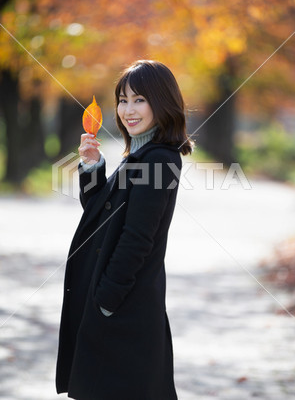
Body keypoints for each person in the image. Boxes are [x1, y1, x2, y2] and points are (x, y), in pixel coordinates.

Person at [55, 60, 194, 400]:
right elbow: (101, 216)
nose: (128, 110)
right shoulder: (141, 155)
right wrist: (92, 166)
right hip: (117, 302)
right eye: (122, 100)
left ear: (161, 103)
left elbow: (137, 238)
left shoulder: (160, 160)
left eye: (140, 100)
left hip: (124, 306)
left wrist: (106, 299)